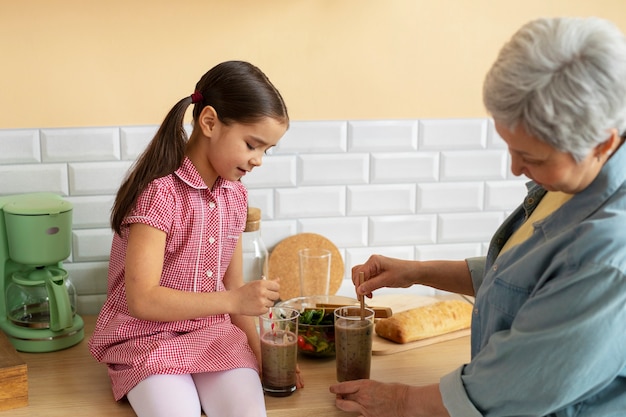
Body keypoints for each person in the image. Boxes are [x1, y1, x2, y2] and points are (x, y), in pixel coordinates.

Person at [330, 17, 626, 417]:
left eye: (532, 158)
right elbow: (524, 280)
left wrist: (399, 401)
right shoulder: (576, 181)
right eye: (510, 147)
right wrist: (415, 271)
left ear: (602, 143)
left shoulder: (608, 256)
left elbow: (509, 388)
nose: (514, 169)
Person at [88, 61, 298, 417]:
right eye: (252, 144)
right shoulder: (159, 193)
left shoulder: (235, 197)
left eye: (266, 150)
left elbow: (234, 292)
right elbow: (143, 300)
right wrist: (234, 300)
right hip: (146, 338)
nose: (259, 160)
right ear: (210, 122)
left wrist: (263, 355)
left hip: (213, 334)